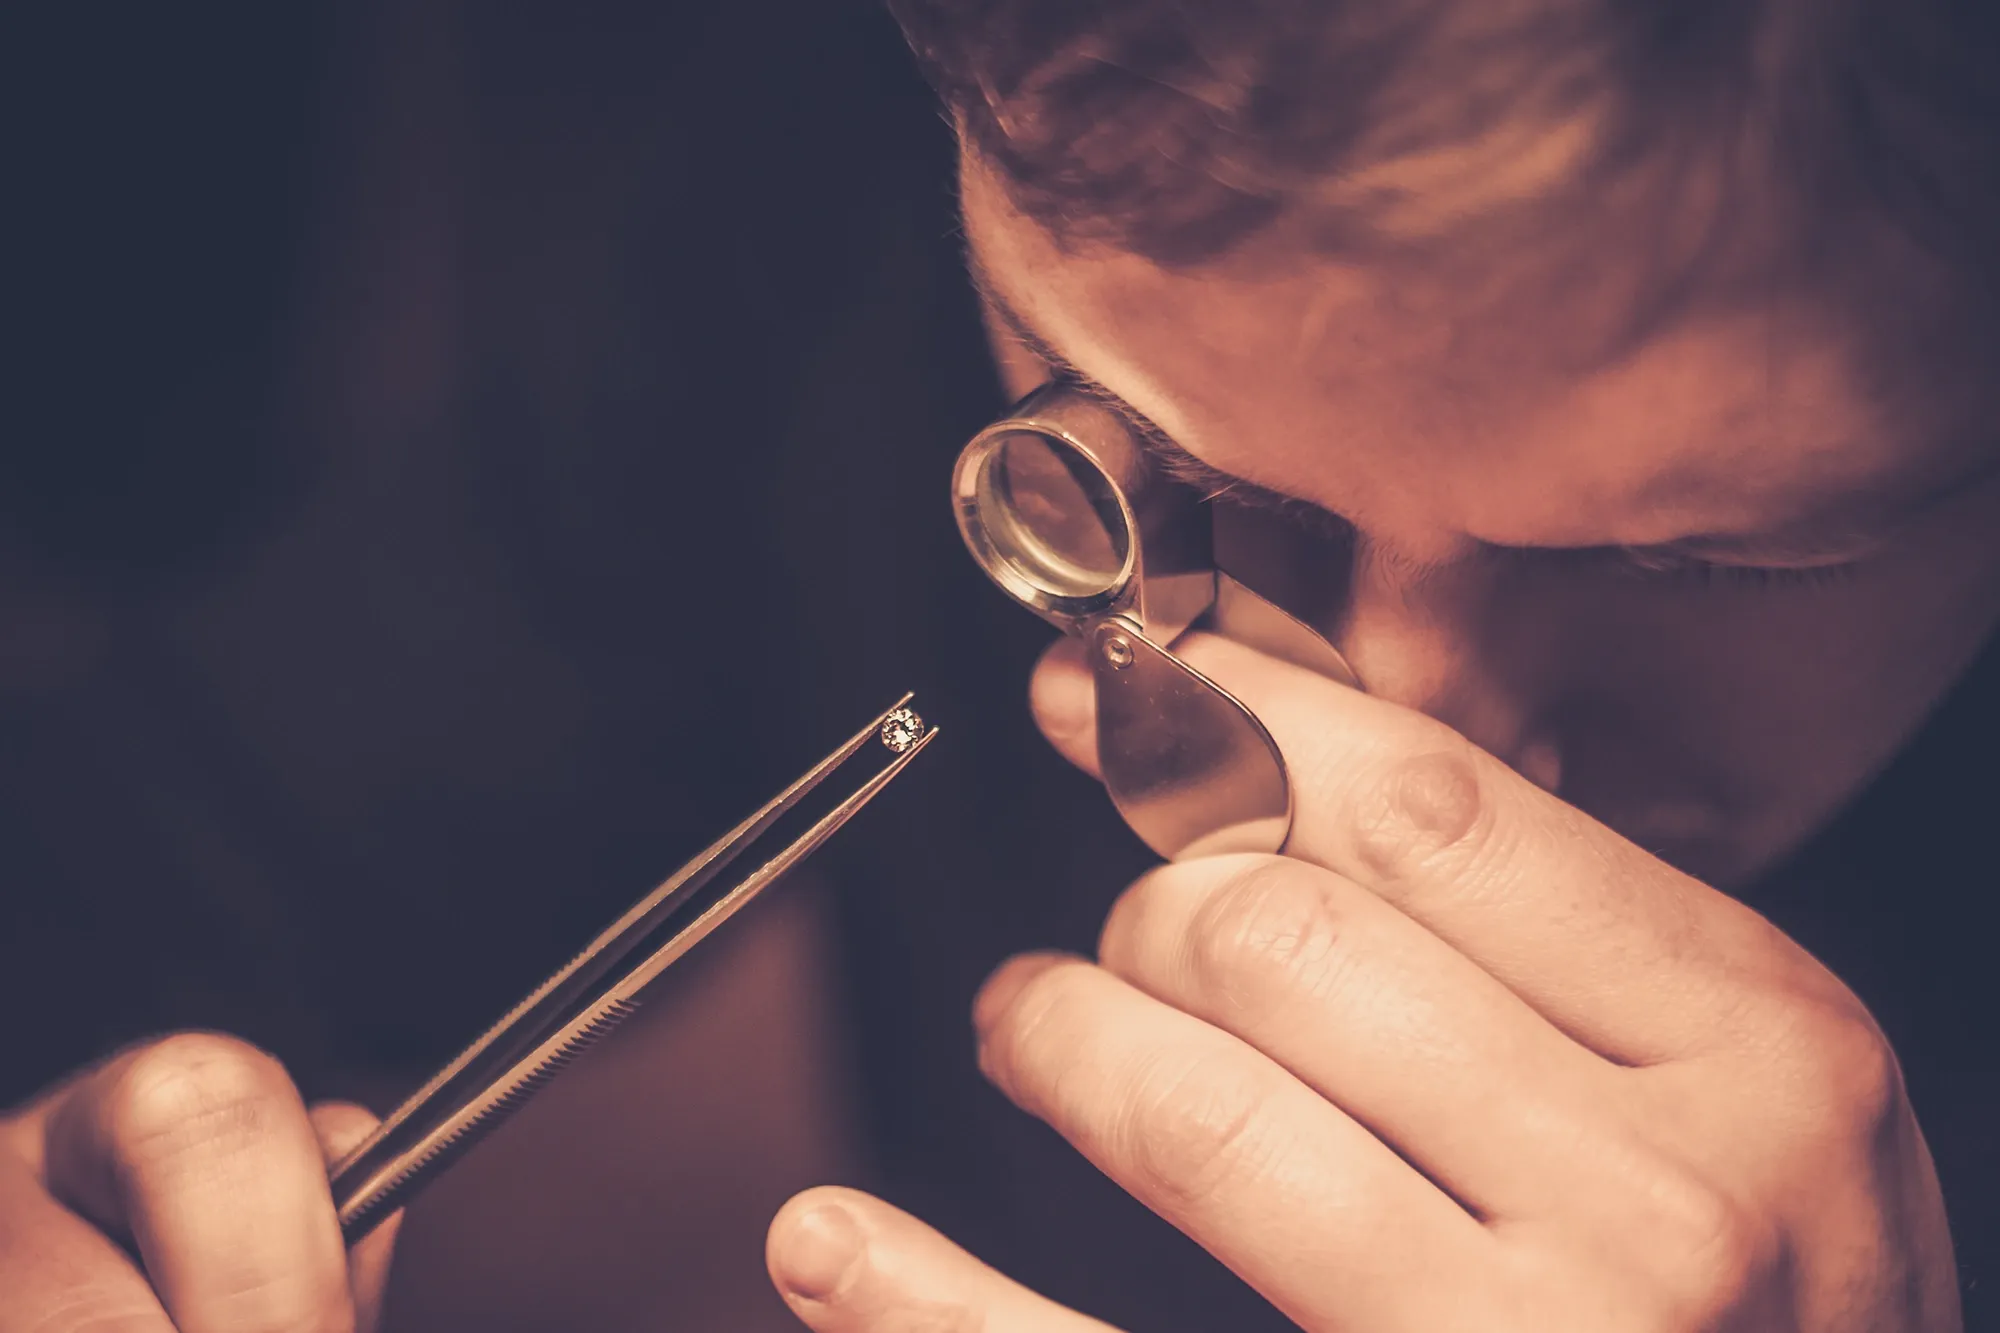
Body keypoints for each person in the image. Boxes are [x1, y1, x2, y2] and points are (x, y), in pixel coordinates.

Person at [3, 1, 1995, 1330]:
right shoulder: (823, 234)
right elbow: (139, 851)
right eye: (1157, 484)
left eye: (1718, 564)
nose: (1387, 737)